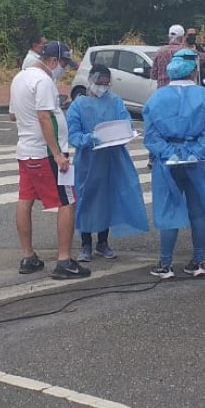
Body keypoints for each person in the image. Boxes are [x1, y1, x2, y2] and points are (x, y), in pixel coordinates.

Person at [143, 49, 205, 277]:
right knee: (197, 212)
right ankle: (198, 261)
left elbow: (151, 136)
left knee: (168, 209)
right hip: (197, 161)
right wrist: (196, 152)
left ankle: (165, 264)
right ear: (193, 72)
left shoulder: (156, 98)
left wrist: (168, 153)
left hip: (167, 162)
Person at [9, 40, 90, 279]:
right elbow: (44, 117)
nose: (63, 68)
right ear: (53, 61)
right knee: (67, 201)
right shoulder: (43, 81)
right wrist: (57, 153)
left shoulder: (19, 78)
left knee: (25, 200)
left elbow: (13, 115)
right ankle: (64, 260)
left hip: (25, 149)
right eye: (64, 63)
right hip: (47, 152)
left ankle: (28, 256)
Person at [66, 64, 148, 262]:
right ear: (91, 82)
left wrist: (125, 133)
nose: (103, 87)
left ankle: (103, 242)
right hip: (88, 160)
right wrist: (91, 138)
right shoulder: (78, 105)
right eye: (100, 83)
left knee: (107, 199)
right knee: (86, 199)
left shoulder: (115, 101)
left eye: (106, 83)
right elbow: (73, 135)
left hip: (113, 158)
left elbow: (124, 122)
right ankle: (86, 243)